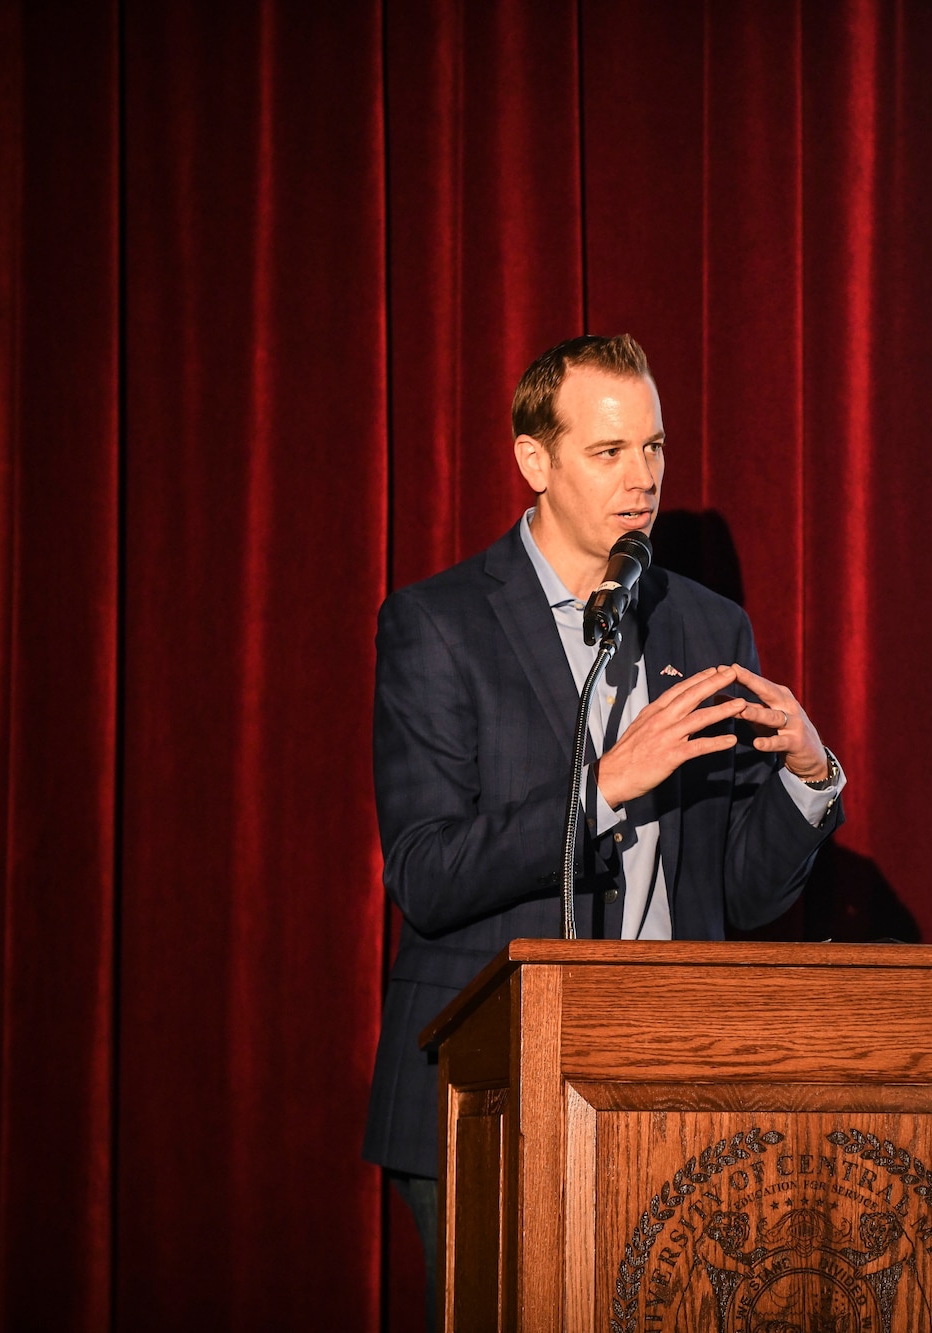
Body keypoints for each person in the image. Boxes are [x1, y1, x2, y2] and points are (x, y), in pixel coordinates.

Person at [362, 334, 845, 1322]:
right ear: (534, 461)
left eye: (655, 449)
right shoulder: (436, 622)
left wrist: (807, 775)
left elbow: (740, 893)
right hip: (491, 1094)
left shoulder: (709, 627)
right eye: (609, 452)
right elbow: (426, 872)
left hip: (674, 1083)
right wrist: (603, 787)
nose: (643, 480)